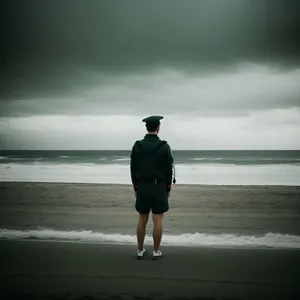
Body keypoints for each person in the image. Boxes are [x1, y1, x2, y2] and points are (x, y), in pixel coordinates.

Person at [130, 115, 175, 260]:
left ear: (147, 128)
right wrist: (168, 188)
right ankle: (156, 251)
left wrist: (135, 187)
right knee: (158, 219)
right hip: (158, 187)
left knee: (142, 218)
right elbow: (169, 170)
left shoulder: (137, 146)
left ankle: (140, 250)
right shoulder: (164, 146)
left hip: (142, 186)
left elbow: (133, 169)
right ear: (158, 127)